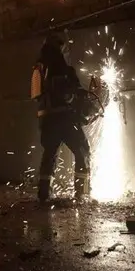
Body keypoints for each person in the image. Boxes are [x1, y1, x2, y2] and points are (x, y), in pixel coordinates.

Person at [31, 31, 91, 204]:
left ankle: (44, 194)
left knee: (49, 154)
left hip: (46, 121)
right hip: (65, 118)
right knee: (82, 151)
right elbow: (73, 93)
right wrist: (83, 97)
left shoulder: (38, 69)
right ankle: (81, 194)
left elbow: (36, 96)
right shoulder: (64, 69)